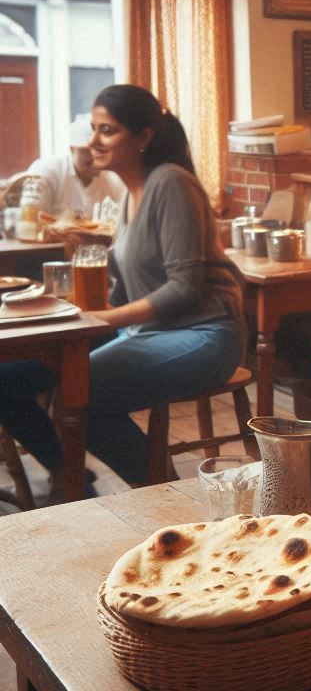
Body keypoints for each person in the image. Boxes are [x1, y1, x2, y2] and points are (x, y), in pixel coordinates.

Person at [0, 86, 245, 489]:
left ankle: (165, 495)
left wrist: (101, 319)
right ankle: (128, 484)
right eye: (94, 129)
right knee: (31, 378)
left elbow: (184, 288)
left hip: (207, 333)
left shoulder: (170, 183)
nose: (92, 141)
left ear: (143, 138)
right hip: (154, 332)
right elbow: (128, 283)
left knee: (83, 389)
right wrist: (81, 266)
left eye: (106, 130)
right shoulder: (132, 194)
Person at [21, 112, 125, 216]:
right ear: (72, 149)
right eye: (89, 152)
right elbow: (29, 222)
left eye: (102, 151)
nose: (97, 159)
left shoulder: (112, 183)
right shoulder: (45, 172)